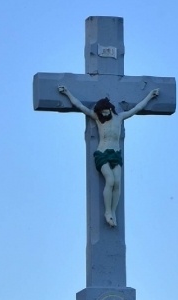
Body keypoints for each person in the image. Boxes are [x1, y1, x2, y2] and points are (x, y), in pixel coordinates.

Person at [57, 85, 159, 227]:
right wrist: (67, 93)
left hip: (115, 154)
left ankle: (113, 211)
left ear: (110, 109)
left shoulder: (120, 117)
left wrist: (150, 96)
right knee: (110, 180)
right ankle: (107, 212)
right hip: (103, 153)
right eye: (101, 113)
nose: (103, 115)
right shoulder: (98, 119)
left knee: (117, 183)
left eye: (105, 112)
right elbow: (79, 106)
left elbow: (137, 108)